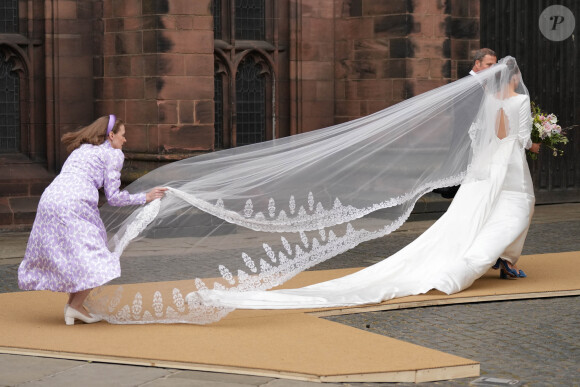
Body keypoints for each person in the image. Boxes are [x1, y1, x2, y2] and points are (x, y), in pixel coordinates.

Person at [193, 57, 542, 311]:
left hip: (486, 166)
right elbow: (522, 139)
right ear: (515, 79)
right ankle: (481, 262)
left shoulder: (490, 101)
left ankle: (500, 259)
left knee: (472, 212)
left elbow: (482, 135)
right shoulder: (520, 101)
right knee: (517, 206)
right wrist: (539, 140)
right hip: (509, 166)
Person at [18, 115, 167, 325]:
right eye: (123, 135)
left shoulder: (82, 150)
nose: (125, 141)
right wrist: (145, 197)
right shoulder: (113, 154)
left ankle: (74, 308)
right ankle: (75, 307)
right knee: (95, 257)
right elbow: (113, 197)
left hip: (50, 199)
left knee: (79, 255)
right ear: (111, 135)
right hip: (74, 204)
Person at [435, 48, 498, 199]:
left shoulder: (483, 84)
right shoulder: (468, 85)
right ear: (477, 63)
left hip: (477, 144)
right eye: (489, 64)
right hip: (468, 143)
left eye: (494, 65)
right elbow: (471, 116)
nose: (493, 69)